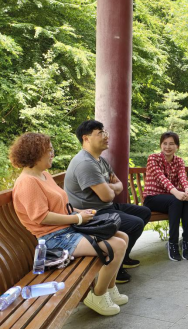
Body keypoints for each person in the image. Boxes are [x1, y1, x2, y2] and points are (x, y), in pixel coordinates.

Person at [10, 133, 129, 316]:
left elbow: (61, 205)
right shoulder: (27, 182)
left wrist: (81, 212)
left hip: (67, 230)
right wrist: (77, 219)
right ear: (35, 153)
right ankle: (98, 295)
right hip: (53, 239)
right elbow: (41, 217)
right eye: (49, 150)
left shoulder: (44, 175)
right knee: (117, 245)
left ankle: (110, 289)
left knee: (123, 237)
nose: (52, 154)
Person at [64, 120, 152, 284]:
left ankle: (123, 257)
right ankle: (116, 268)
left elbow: (120, 185)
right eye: (100, 133)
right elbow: (108, 196)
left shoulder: (99, 160)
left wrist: (108, 187)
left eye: (105, 132)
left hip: (105, 208)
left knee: (144, 212)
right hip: (91, 214)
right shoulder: (85, 163)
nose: (106, 136)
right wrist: (111, 188)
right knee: (135, 223)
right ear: (86, 138)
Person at [143, 132, 188, 261]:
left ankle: (186, 242)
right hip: (152, 198)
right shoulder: (153, 158)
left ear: (177, 146)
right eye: (165, 143)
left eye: (171, 144)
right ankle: (173, 243)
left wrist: (187, 190)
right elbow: (161, 179)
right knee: (176, 201)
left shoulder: (179, 161)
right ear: (160, 145)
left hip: (171, 198)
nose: (168, 147)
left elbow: (183, 177)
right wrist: (177, 193)